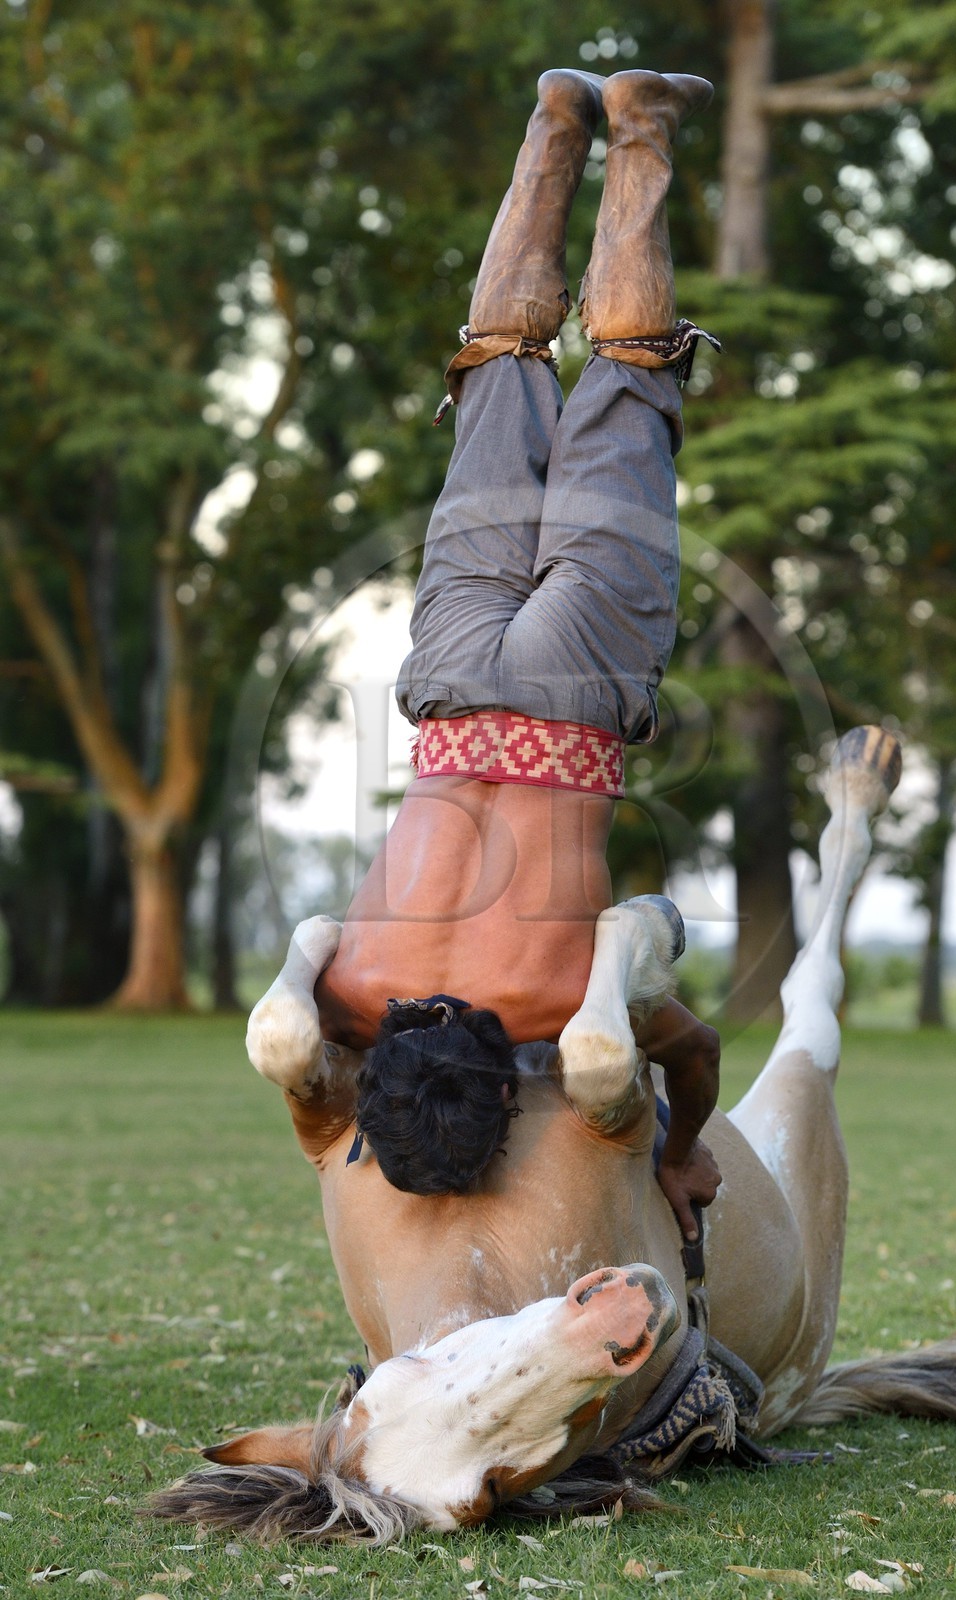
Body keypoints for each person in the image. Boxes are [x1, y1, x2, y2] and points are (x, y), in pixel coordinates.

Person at [314, 68, 722, 1241]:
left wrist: (682, 1155)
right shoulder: (344, 992)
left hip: (570, 706)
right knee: (497, 361)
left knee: (631, 373)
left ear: (503, 1096)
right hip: (445, 696)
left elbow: (690, 1059)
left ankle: (638, 121)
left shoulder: (553, 1001)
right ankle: (555, 120)